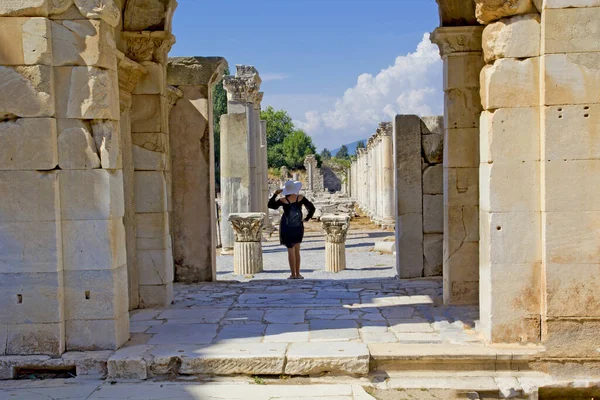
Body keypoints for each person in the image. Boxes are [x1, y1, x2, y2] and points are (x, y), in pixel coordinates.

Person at [268, 180, 316, 279]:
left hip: (286, 225)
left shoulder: (282, 200)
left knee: (290, 250)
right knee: (297, 250)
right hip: (298, 225)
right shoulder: (301, 198)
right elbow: (312, 208)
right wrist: (307, 218)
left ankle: (292, 274)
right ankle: (298, 274)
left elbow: (270, 205)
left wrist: (275, 194)